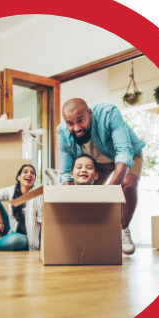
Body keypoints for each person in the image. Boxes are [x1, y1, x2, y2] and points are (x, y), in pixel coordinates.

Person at [58, 98, 146, 255]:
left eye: (80, 121)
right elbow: (66, 173)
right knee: (88, 197)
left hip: (128, 154)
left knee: (128, 185)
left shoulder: (109, 113)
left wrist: (110, 190)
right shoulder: (62, 133)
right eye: (70, 123)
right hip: (98, 165)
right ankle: (94, 235)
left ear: (90, 114)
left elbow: (124, 153)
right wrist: (71, 198)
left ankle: (123, 229)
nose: (76, 128)